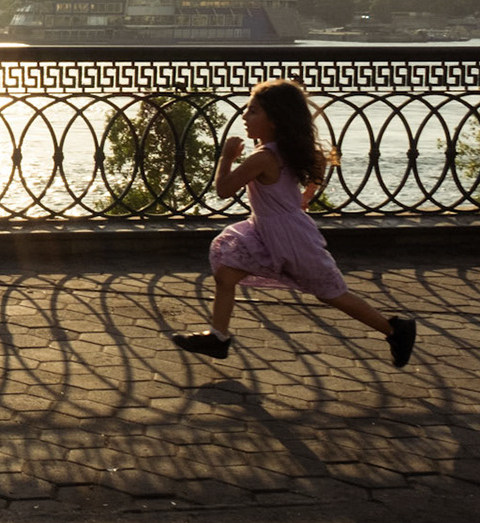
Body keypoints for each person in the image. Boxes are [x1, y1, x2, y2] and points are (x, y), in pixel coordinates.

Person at [170, 78, 417, 366]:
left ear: (274, 120)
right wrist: (304, 198)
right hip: (268, 230)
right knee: (226, 272)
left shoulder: (263, 157)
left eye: (252, 111)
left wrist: (225, 158)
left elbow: (224, 189)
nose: (244, 117)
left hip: (291, 240)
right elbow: (319, 162)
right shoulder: (284, 149)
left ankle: (394, 329)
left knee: (332, 293)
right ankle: (218, 337)